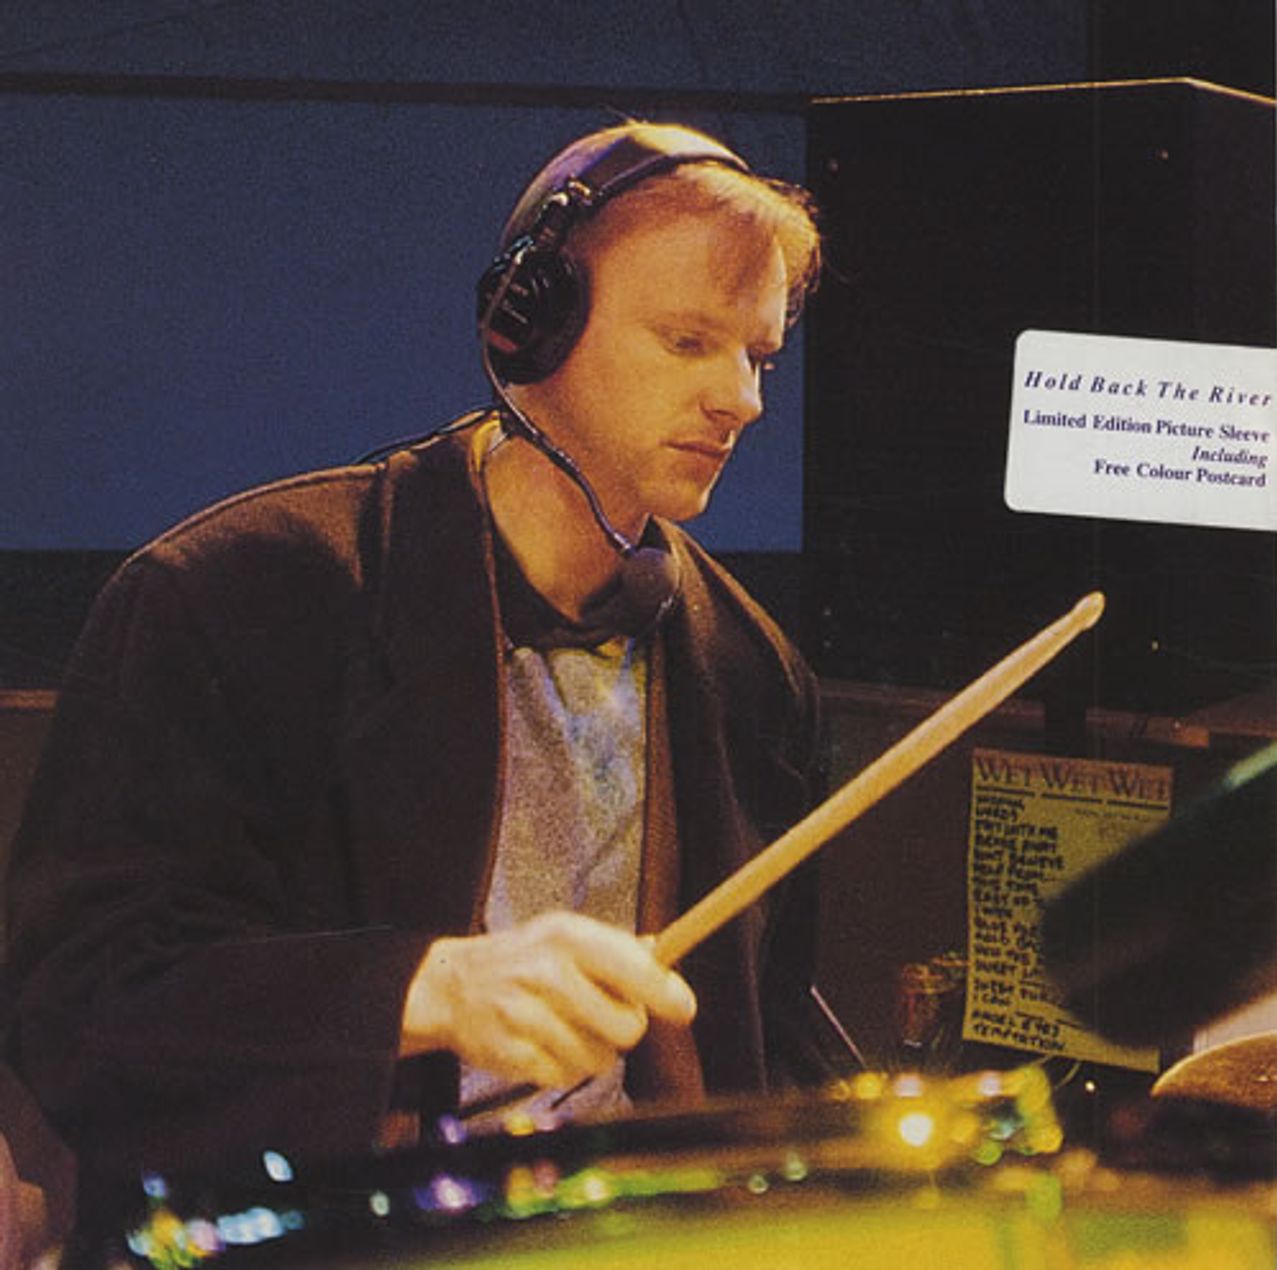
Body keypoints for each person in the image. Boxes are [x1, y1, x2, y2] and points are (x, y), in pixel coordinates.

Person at [1, 121, 825, 1194]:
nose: (742, 399)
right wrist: (422, 989)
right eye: (687, 341)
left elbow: (768, 1039)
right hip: (332, 1227)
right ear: (532, 327)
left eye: (758, 357)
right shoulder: (235, 595)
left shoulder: (750, 668)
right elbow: (77, 1002)